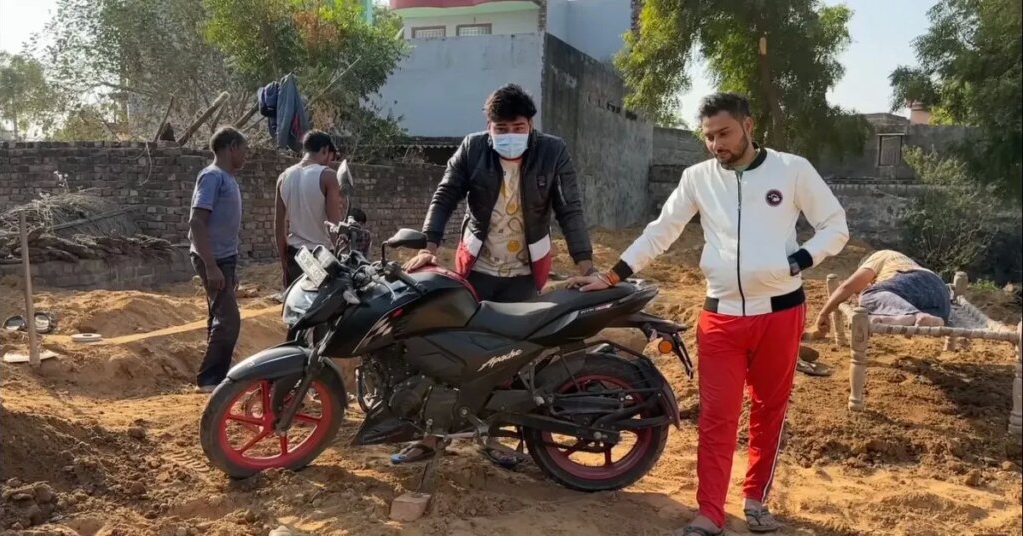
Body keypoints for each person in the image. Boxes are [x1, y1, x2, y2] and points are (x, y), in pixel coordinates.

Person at [568, 92, 849, 535]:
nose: (717, 144)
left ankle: (755, 500)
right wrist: (612, 275)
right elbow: (661, 231)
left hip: (781, 312)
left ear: (748, 126)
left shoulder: (792, 169)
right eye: (709, 136)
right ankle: (710, 513)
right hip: (721, 315)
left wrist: (798, 261)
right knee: (717, 416)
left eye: (725, 133)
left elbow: (836, 225)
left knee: (769, 410)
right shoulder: (697, 178)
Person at [394, 83, 596, 465]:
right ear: (488, 127)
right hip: (476, 269)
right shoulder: (472, 149)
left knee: (511, 359)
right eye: (501, 129)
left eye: (518, 128)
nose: (510, 136)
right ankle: (433, 436)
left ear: (531, 125)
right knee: (455, 352)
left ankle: (493, 438)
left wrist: (586, 265)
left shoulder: (552, 151)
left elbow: (570, 210)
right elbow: (445, 195)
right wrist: (428, 247)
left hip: (526, 272)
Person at [189, 127, 249, 393]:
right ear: (232, 146)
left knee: (219, 316)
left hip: (225, 258)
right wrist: (211, 266)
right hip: (212, 258)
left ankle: (214, 377)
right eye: (244, 150)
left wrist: (230, 268)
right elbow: (196, 222)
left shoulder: (228, 179)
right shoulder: (212, 177)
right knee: (229, 320)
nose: (246, 156)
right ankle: (210, 379)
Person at [814, 249, 950, 337]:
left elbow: (848, 287)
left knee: (868, 296)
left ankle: (915, 316)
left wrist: (824, 313)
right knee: (878, 303)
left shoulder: (880, 256)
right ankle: (915, 317)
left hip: (915, 280)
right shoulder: (903, 261)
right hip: (942, 302)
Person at [275, 130, 344, 288]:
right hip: (322, 257)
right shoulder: (328, 176)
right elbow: (334, 226)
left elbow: (279, 226)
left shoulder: (283, 177)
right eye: (331, 158)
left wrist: (284, 264)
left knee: (299, 301)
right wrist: (342, 260)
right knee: (325, 302)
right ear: (325, 150)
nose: (329, 163)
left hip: (296, 256)